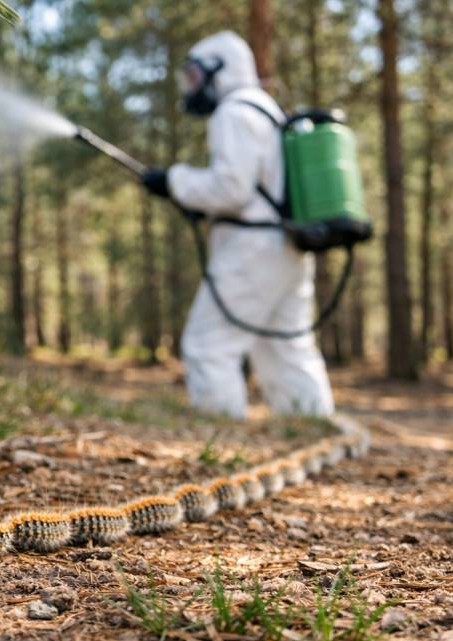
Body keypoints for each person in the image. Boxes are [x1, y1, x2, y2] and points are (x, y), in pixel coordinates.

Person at [140, 30, 334, 420]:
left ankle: (222, 439)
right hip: (287, 250)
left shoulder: (234, 112)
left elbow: (231, 188)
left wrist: (174, 181)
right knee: (285, 347)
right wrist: (198, 203)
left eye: (195, 76)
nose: (192, 87)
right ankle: (313, 426)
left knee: (208, 344)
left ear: (219, 72)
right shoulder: (266, 109)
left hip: (254, 251)